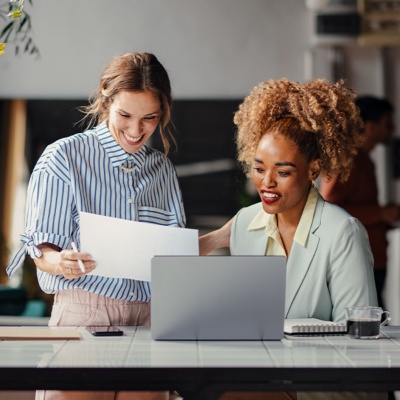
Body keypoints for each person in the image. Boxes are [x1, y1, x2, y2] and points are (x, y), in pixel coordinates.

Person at [6, 52, 184, 400]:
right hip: (84, 315)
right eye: (125, 116)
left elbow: (172, 255)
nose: (136, 131)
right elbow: (41, 250)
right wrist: (60, 261)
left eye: (150, 118)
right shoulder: (64, 157)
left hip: (148, 323)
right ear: (105, 101)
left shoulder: (162, 170)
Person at [200, 78, 382, 400]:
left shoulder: (342, 232)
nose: (266, 183)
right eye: (259, 168)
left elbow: (360, 347)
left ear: (313, 169)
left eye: (283, 172)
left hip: (327, 387)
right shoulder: (246, 223)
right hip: (263, 377)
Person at [320, 95, 398, 309]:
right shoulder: (348, 160)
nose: (393, 129)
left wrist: (385, 216)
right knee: (368, 326)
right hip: (359, 261)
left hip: (373, 259)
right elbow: (329, 207)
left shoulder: (364, 160)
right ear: (371, 127)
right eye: (388, 123)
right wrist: (380, 213)